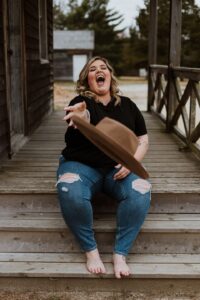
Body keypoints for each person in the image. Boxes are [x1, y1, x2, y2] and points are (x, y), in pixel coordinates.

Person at [56, 56, 151, 279]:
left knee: (141, 190)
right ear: (88, 80)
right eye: (92, 69)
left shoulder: (128, 105)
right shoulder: (83, 101)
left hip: (117, 169)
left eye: (103, 68)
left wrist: (131, 162)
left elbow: (143, 140)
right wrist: (79, 114)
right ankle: (91, 251)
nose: (99, 71)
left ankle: (120, 254)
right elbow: (82, 115)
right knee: (70, 190)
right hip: (81, 166)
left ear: (109, 74)